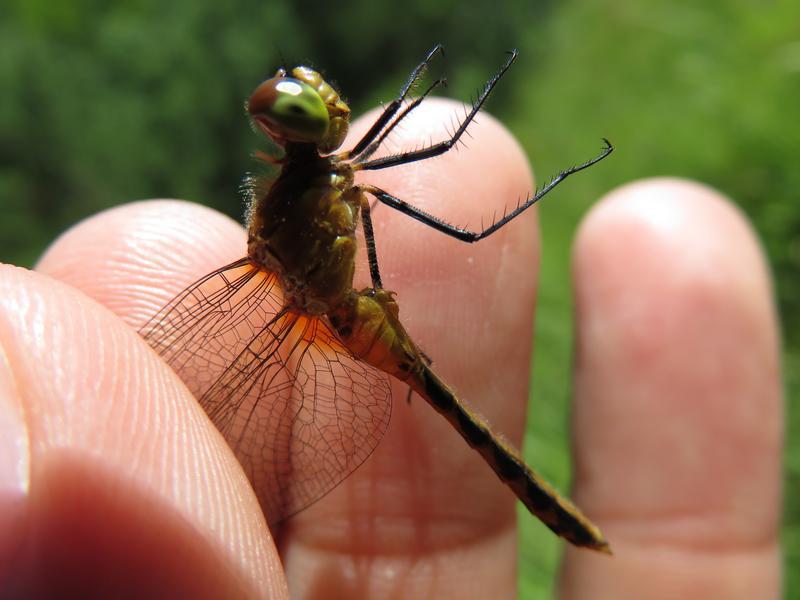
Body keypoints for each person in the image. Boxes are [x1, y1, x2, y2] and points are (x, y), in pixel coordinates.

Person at [0, 100, 782, 598]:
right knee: (467, 231)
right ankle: (560, 512)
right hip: (336, 316)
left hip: (339, 305)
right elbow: (448, 203)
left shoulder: (323, 181)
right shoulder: (322, 190)